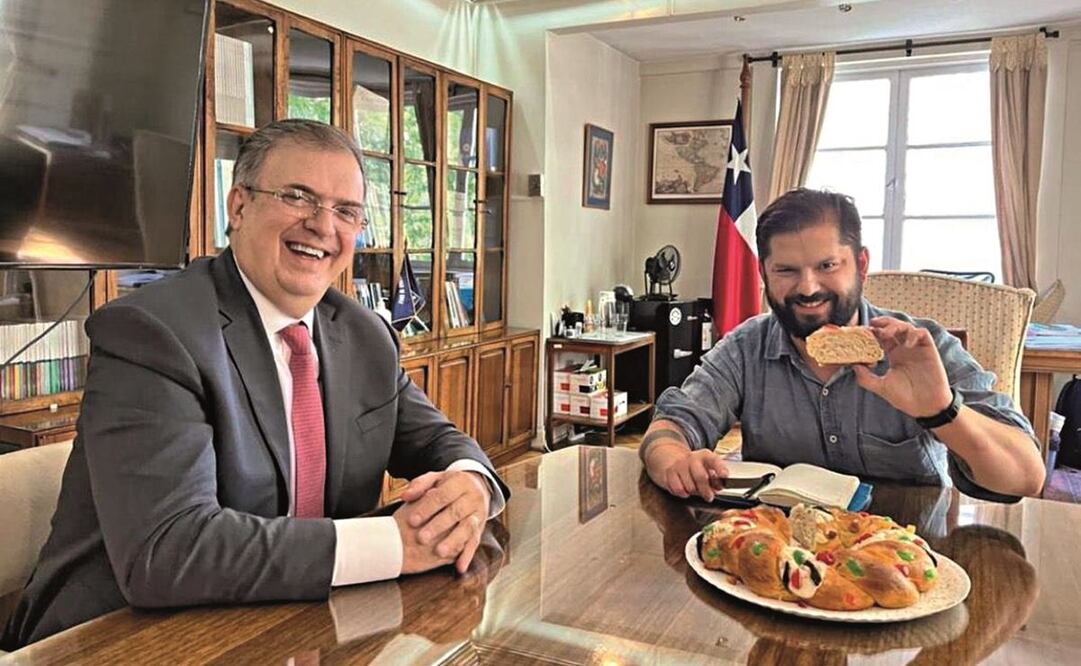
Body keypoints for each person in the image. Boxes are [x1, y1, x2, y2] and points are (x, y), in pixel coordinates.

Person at [2, 119, 508, 649]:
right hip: (117, 638)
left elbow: (440, 443)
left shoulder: (364, 334)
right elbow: (169, 551)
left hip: (293, 623)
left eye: (346, 211)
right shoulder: (154, 332)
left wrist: (471, 484)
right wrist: (392, 545)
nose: (322, 225)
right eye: (298, 196)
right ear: (238, 207)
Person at [640, 188, 1045, 504]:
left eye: (827, 266)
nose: (808, 288)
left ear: (862, 265)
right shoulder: (747, 347)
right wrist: (675, 462)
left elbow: (1026, 476)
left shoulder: (921, 348)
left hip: (904, 559)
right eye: (786, 270)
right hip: (778, 559)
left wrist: (942, 411)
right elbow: (672, 424)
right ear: (764, 275)